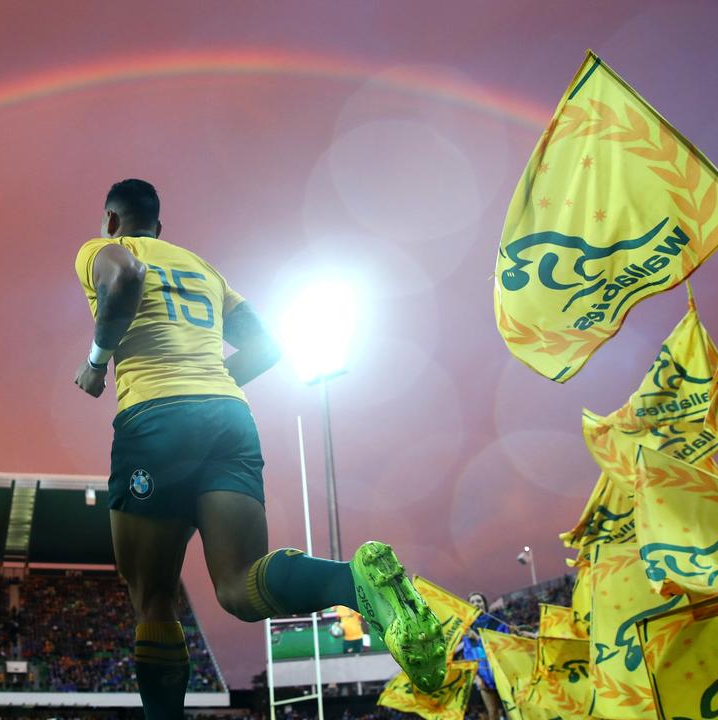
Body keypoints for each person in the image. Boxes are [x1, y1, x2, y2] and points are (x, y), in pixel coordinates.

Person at [72, 179, 444, 718]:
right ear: (161, 225)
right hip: (228, 415)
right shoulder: (204, 269)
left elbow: (124, 277)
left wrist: (95, 361)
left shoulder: (104, 250)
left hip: (154, 419)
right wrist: (208, 379)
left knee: (151, 597)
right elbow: (267, 346)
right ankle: (355, 583)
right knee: (239, 586)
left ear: (111, 220)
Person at [461, 592, 509, 720]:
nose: (476, 604)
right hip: (484, 678)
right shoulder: (468, 629)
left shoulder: (497, 622)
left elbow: (501, 648)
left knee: (511, 711)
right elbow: (470, 657)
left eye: (479, 601)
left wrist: (477, 638)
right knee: (493, 714)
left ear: (484, 604)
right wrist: (477, 677)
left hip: (502, 674)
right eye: (472, 602)